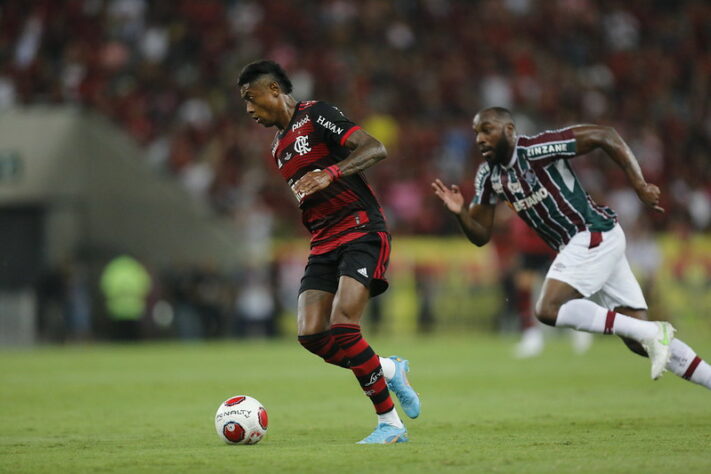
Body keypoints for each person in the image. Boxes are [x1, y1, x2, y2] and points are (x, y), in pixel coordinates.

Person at [432, 107, 711, 390]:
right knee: (639, 343)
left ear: (510, 130)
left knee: (548, 308)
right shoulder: (487, 176)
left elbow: (605, 135)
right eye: (476, 131)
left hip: (591, 233)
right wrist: (460, 213)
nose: (479, 138)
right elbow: (481, 235)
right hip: (588, 242)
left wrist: (639, 184)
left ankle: (653, 331)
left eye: (487, 129)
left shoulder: (537, 149)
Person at [237, 60, 419, 444]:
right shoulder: (277, 147)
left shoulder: (316, 115)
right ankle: (388, 368)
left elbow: (375, 147)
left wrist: (332, 172)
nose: (249, 110)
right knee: (311, 335)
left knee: (343, 326)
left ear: (274, 90)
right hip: (322, 241)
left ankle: (390, 424)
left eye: (251, 99)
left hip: (360, 229)